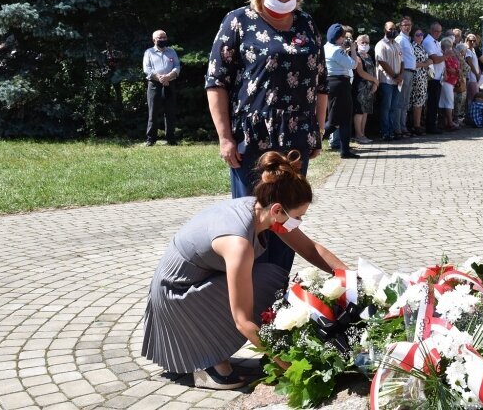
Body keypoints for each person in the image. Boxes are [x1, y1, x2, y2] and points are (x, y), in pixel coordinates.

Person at [142, 150, 347, 389]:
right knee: (267, 281)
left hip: (195, 283)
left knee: (270, 276)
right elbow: (243, 320)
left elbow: (311, 249)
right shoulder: (238, 244)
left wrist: (351, 277)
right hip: (175, 299)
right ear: (278, 210)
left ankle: (210, 348)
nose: (298, 223)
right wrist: (290, 366)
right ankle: (205, 360)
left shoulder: (260, 208)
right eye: (298, 217)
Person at [206, 0, 327, 272]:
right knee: (253, 219)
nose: (284, 1)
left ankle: (277, 295)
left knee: (287, 218)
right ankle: (246, 295)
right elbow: (216, 82)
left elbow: (321, 82)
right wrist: (224, 138)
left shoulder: (306, 23)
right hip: (252, 140)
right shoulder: (238, 22)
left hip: (297, 139)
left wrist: (318, 130)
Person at [322, 23, 359, 159]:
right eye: (343, 37)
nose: (344, 39)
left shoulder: (326, 48)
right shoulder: (336, 51)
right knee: (339, 120)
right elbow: (353, 64)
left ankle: (345, 150)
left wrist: (344, 49)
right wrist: (353, 50)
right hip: (340, 84)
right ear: (338, 37)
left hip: (332, 83)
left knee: (338, 118)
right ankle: (313, 142)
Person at [143, 30, 181, 146]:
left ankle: (171, 139)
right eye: (160, 38)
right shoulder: (149, 52)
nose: (163, 40)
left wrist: (168, 76)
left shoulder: (172, 52)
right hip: (154, 84)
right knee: (153, 112)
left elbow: (177, 66)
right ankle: (151, 139)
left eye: (164, 37)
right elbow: (147, 69)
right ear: (154, 39)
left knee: (170, 112)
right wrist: (159, 77)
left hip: (169, 83)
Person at [375, 21, 403, 141]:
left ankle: (391, 131)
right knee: (385, 107)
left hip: (396, 81)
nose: (393, 31)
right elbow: (382, 62)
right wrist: (395, 75)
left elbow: (402, 61)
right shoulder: (381, 44)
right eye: (390, 28)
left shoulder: (397, 44)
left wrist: (400, 75)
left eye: (394, 28)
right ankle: (385, 132)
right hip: (386, 80)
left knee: (393, 108)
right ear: (385, 29)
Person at [351, 34, 378, 144]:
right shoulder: (356, 56)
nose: (365, 44)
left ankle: (363, 134)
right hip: (360, 88)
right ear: (356, 43)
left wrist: (375, 83)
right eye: (363, 42)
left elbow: (373, 69)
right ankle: (358, 135)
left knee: (366, 111)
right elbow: (361, 72)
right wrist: (375, 81)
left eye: (367, 42)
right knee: (359, 111)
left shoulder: (368, 56)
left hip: (369, 88)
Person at [422, 22, 446, 134]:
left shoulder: (436, 42)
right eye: (436, 31)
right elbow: (435, 59)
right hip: (432, 77)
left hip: (438, 76)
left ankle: (433, 124)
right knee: (432, 103)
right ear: (431, 30)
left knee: (435, 103)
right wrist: (447, 55)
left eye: (440, 31)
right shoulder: (428, 41)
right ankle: (430, 126)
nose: (438, 33)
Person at [395, 16, 416, 139]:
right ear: (400, 26)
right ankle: (398, 128)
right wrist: (400, 73)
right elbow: (399, 58)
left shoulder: (407, 39)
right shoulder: (400, 39)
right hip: (404, 72)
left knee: (405, 102)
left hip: (410, 72)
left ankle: (403, 126)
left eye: (409, 25)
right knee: (400, 101)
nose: (407, 27)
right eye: (405, 25)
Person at [409, 28, 430, 135]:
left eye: (422, 34)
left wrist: (427, 63)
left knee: (421, 101)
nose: (420, 36)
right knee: (417, 101)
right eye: (418, 35)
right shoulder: (412, 47)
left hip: (423, 77)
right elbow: (412, 63)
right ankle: (416, 126)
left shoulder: (422, 47)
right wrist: (426, 63)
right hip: (417, 77)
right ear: (413, 36)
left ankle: (418, 124)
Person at [440, 37, 459, 131]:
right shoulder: (443, 56)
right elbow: (444, 67)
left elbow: (457, 67)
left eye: (450, 46)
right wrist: (452, 71)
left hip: (452, 81)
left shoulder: (452, 56)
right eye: (446, 46)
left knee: (446, 102)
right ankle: (450, 123)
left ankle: (446, 122)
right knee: (448, 102)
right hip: (446, 81)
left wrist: (457, 71)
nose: (449, 48)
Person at [464, 34, 482, 108]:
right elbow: (470, 64)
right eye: (470, 40)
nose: (472, 42)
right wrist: (476, 74)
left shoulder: (473, 50)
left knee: (474, 95)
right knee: (473, 96)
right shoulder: (467, 50)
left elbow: (476, 63)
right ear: (467, 41)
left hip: (475, 76)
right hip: (471, 76)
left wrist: (479, 71)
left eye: (473, 41)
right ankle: (471, 115)